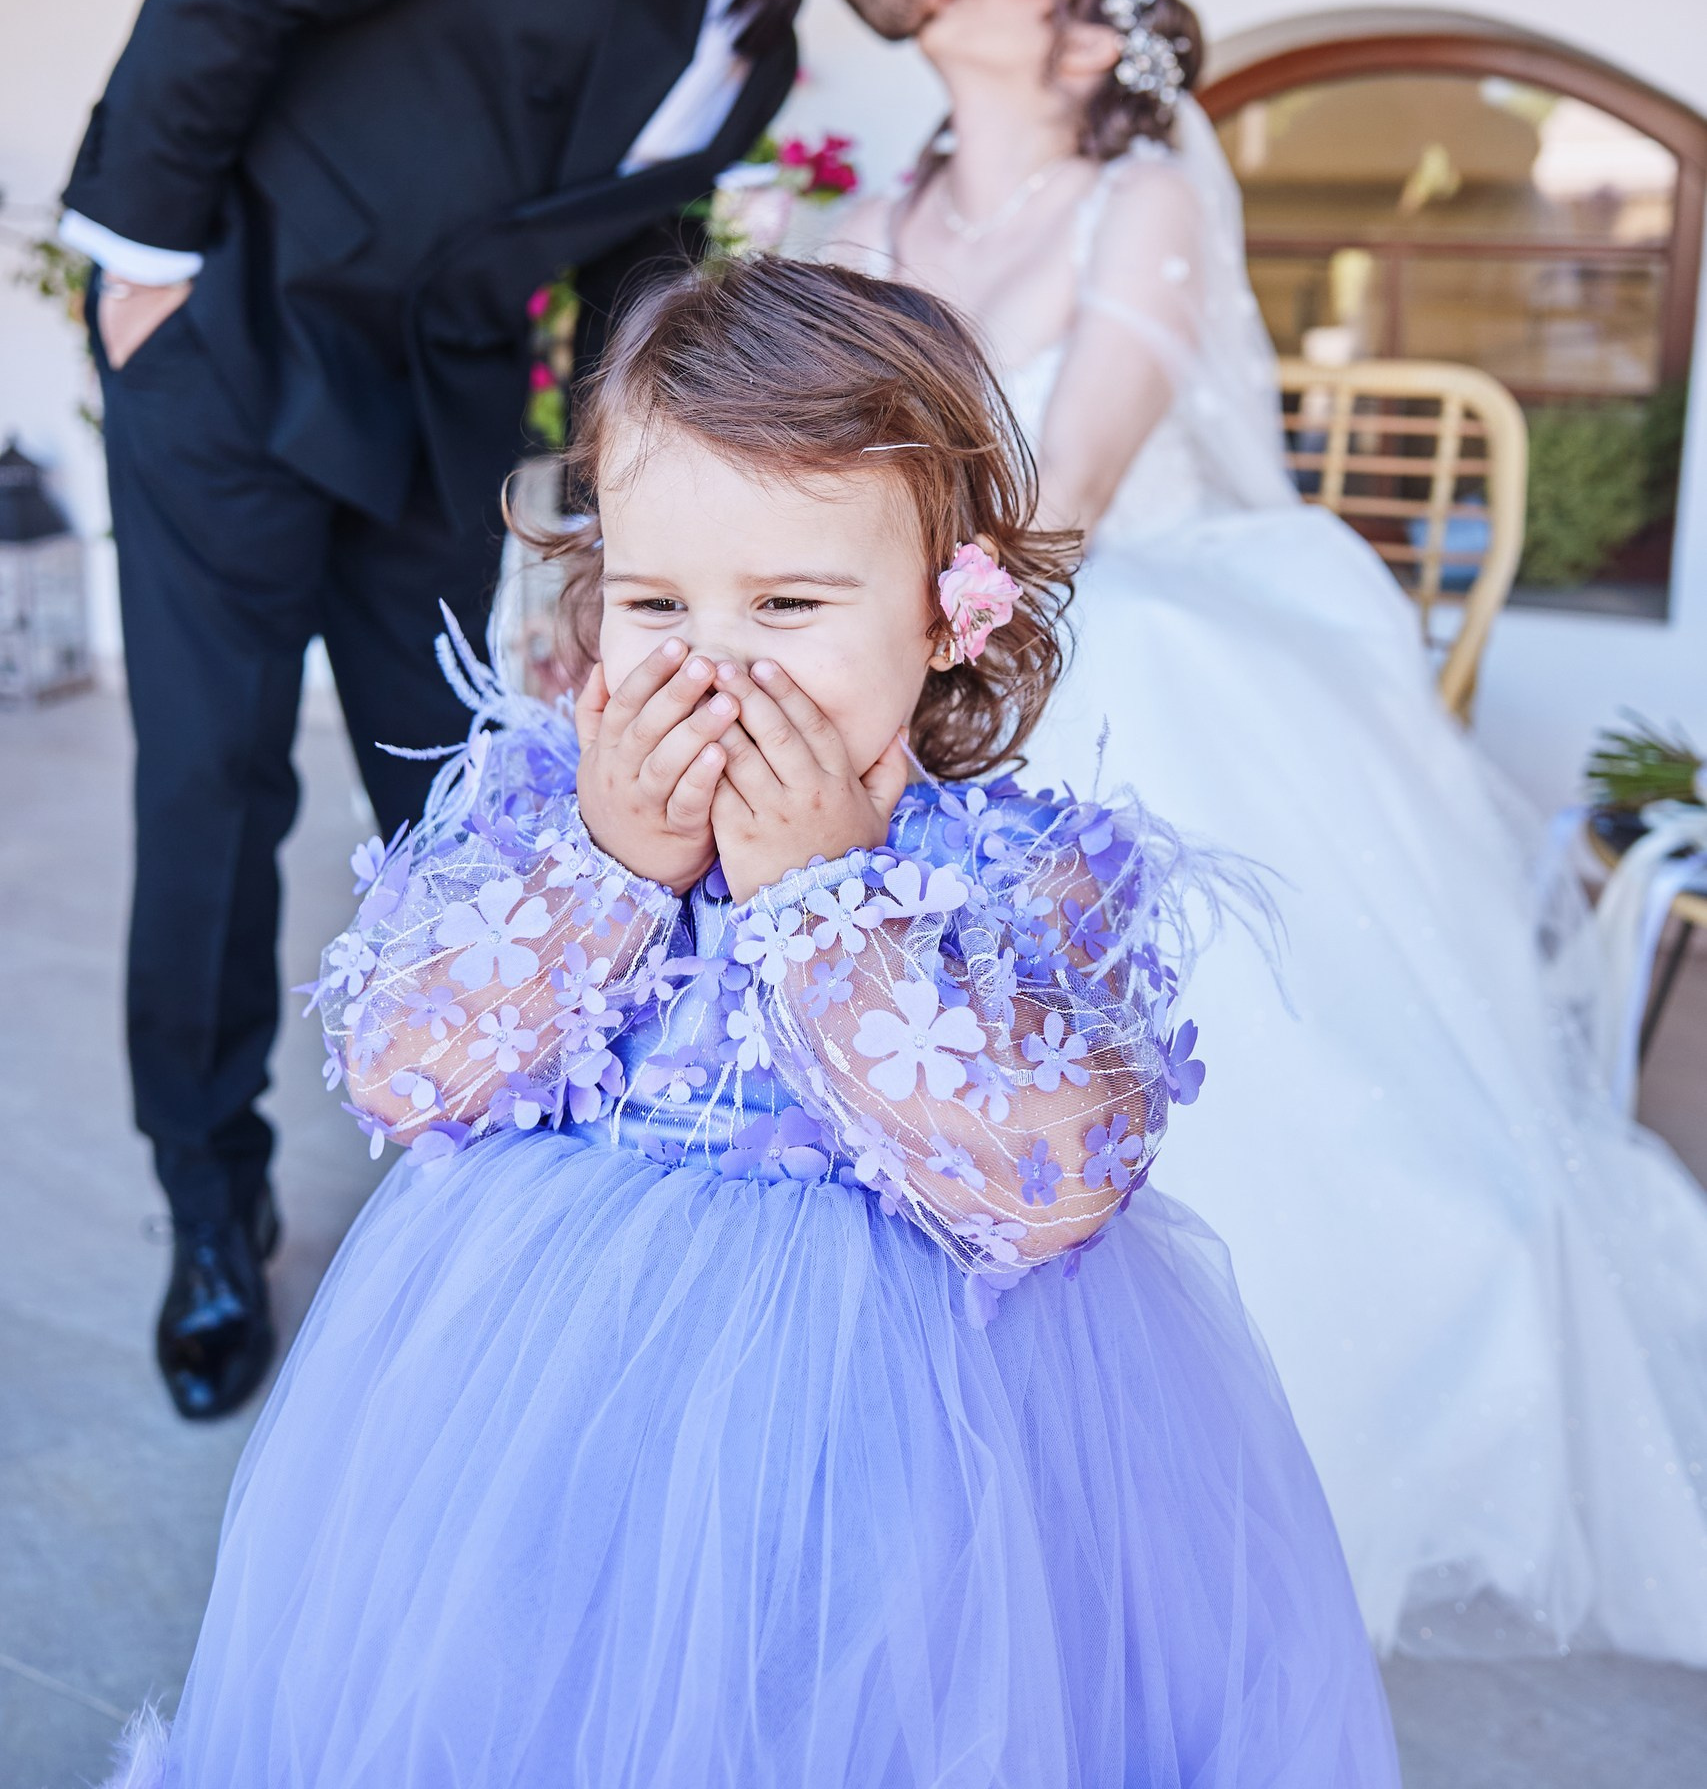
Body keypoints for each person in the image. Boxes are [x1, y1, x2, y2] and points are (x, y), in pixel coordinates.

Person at [102, 257, 1397, 1788]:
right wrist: (605, 869)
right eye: (657, 602)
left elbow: (1053, 1181)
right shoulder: (544, 819)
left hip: (913, 1466)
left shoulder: (1022, 872)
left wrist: (824, 907)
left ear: (949, 615)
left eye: (788, 603)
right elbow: (400, 1068)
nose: (712, 662)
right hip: (550, 1422)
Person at [57, 0, 1040, 1421]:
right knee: (212, 787)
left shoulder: (758, 58)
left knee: (457, 790)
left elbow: (632, 293)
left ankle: (464, 1145)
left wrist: (621, 553)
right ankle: (211, 1206)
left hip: (434, 422)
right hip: (230, 352)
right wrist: (141, 259)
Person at [823, 0, 1707, 1661]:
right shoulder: (882, 221)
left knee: (1142, 680)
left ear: (1090, 52)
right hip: (916, 604)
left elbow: (1068, 489)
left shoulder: (1142, 198)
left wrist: (906, 630)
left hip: (1098, 592)